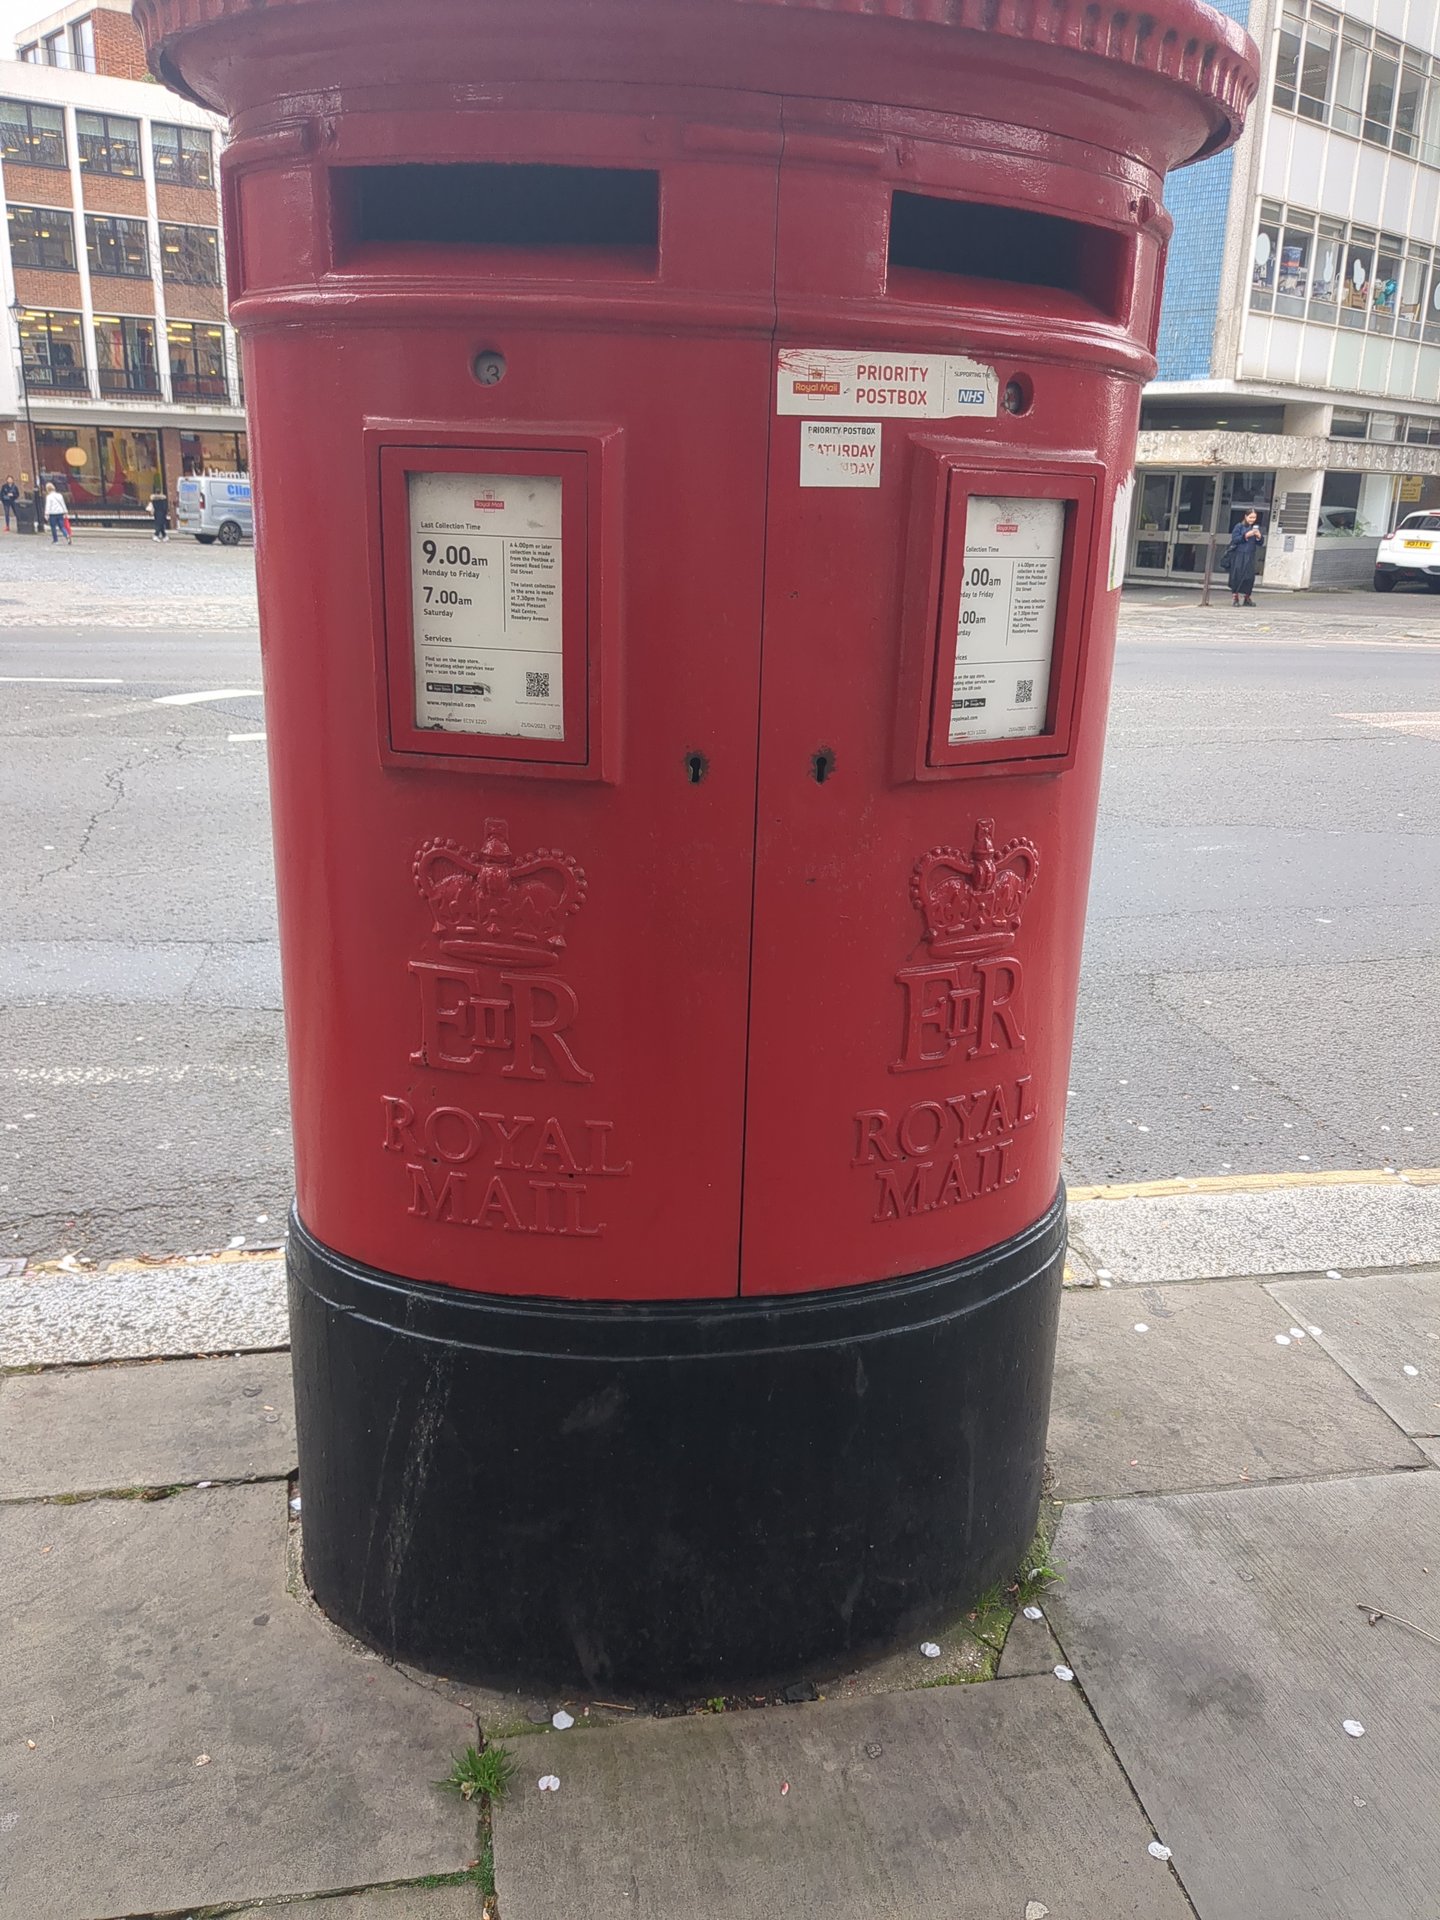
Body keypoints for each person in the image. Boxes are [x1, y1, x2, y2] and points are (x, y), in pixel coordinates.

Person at [1225, 507, 1263, 606]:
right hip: (1239, 554)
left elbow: (1260, 543)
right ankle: (1235, 597)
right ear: (1246, 516)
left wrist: (1259, 537)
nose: (1252, 520)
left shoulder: (1255, 528)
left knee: (1249, 577)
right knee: (1237, 576)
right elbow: (1235, 539)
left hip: (1250, 554)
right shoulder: (1239, 526)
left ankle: (1247, 597)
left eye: (1254, 518)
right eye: (1250, 517)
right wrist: (1246, 535)